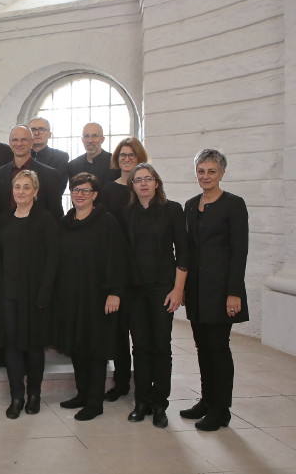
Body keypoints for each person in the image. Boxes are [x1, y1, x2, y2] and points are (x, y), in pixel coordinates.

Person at [180, 149, 248, 431]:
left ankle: (222, 409)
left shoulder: (234, 204)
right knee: (201, 347)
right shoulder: (190, 204)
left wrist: (234, 292)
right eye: (201, 171)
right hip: (196, 289)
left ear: (222, 173)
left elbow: (239, 251)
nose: (205, 176)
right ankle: (207, 401)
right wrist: (181, 287)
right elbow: (186, 250)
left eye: (211, 171)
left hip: (222, 290)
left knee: (218, 348)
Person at [56, 172, 127, 421]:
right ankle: (82, 394)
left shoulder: (106, 222)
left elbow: (117, 260)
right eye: (76, 189)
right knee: (76, 346)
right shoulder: (66, 222)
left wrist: (114, 293)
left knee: (94, 349)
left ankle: (95, 402)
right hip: (71, 296)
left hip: (98, 297)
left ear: (95, 195)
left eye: (85, 190)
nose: (80, 194)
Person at [124, 163, 188, 429]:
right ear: (133, 186)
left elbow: (184, 252)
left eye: (148, 179)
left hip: (163, 288)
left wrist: (178, 289)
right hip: (134, 289)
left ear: (156, 183)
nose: (143, 184)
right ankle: (141, 402)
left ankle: (160, 403)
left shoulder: (172, 210)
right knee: (140, 346)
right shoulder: (126, 212)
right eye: (138, 180)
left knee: (161, 346)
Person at [0, 170, 58, 419]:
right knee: (12, 346)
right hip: (7, 294)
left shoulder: (46, 219)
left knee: (33, 346)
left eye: (26, 187)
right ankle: (16, 395)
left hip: (35, 296)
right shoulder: (4, 218)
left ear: (35, 191)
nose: (21, 191)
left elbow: (53, 260)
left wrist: (44, 294)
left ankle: (34, 394)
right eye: (17, 187)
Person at [99, 137, 150, 403]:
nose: (127, 159)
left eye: (131, 155)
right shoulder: (109, 190)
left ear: (140, 158)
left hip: (142, 273)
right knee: (118, 334)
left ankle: (144, 386)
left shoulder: (146, 189)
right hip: (117, 269)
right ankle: (120, 383)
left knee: (140, 335)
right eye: (122, 155)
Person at [28, 116, 69, 193]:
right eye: (33, 130)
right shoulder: (20, 156)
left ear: (50, 134)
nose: (37, 133)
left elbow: (58, 187)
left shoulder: (61, 157)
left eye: (41, 129)